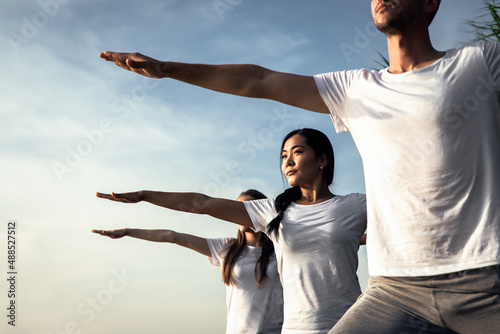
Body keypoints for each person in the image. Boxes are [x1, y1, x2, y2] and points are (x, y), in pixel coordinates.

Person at [99, 1, 500, 332]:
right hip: (394, 291)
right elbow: (258, 81)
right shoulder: (355, 89)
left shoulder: (480, 63)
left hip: (484, 280)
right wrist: (168, 69)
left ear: (431, 3)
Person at [96, 128, 367, 333]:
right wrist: (144, 195)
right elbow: (199, 203)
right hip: (297, 327)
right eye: (284, 155)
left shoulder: (354, 205)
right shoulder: (274, 211)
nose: (287, 161)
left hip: (350, 321)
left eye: (297, 152)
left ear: (322, 159)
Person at [93, 189, 284, 334]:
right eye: (237, 209)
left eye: (247, 209)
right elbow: (172, 236)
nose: (241, 215)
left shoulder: (283, 249)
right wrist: (129, 231)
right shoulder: (227, 248)